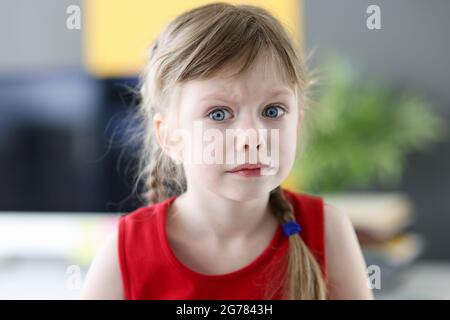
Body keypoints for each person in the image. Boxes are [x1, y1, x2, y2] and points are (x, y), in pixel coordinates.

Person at [81, 2, 373, 300]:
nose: (253, 138)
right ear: (169, 136)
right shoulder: (122, 253)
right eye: (218, 114)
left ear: (296, 124)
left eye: (273, 110)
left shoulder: (327, 232)